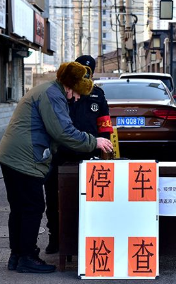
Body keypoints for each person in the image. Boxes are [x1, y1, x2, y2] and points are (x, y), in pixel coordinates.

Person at [0, 61, 113, 274]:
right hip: (24, 157)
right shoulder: (53, 95)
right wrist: (94, 142)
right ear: (70, 87)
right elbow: (63, 132)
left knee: (20, 208)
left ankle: (17, 255)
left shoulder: (46, 90)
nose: (77, 99)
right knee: (32, 207)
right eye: (77, 94)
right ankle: (27, 257)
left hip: (13, 156)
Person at [44, 55, 113, 255]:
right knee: (54, 197)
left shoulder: (97, 95)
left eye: (89, 72)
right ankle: (55, 238)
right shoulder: (63, 93)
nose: (86, 75)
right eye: (82, 71)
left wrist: (106, 151)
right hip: (61, 154)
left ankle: (84, 238)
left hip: (89, 155)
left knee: (87, 198)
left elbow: (105, 125)